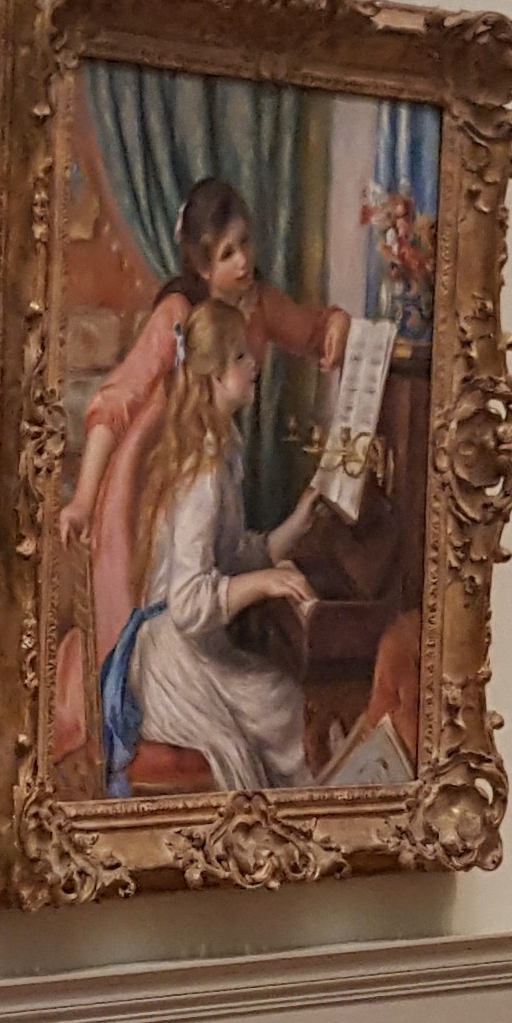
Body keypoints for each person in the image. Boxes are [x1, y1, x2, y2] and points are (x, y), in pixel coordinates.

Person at [44, 178, 347, 774]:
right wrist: (84, 499)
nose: (243, 263)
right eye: (226, 254)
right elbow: (116, 400)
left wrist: (335, 325)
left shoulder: (228, 436)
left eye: (245, 245)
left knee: (273, 694)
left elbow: (312, 332)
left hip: (197, 476)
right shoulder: (182, 322)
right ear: (202, 266)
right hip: (149, 481)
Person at [98, 298, 332, 793]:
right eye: (242, 356)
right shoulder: (203, 473)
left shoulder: (221, 449)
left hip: (192, 648)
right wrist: (265, 583)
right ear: (216, 377)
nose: (255, 364)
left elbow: (229, 557)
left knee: (284, 702)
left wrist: (296, 523)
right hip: (171, 663)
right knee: (285, 706)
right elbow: (187, 603)